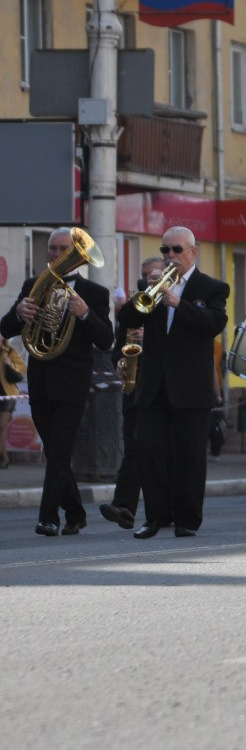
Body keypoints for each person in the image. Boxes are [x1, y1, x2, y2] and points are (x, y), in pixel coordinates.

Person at [117, 227, 230, 538]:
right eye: (165, 250)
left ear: (192, 252)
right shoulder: (149, 285)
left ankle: (187, 519)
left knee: (190, 456)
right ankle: (155, 517)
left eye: (176, 250)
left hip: (191, 387)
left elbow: (213, 324)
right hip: (153, 385)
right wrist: (146, 296)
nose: (169, 256)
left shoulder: (212, 287)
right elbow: (127, 320)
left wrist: (178, 303)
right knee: (150, 451)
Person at [1, 228, 114, 536]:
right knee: (55, 451)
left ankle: (48, 517)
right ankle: (75, 511)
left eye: (65, 248)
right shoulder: (31, 284)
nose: (57, 254)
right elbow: (5, 328)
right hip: (40, 381)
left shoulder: (94, 293)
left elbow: (106, 340)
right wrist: (19, 312)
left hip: (73, 384)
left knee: (60, 449)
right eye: (53, 248)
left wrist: (86, 313)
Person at [100, 255, 165, 530]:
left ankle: (166, 508)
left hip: (162, 388)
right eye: (143, 275)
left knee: (160, 451)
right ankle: (124, 507)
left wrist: (147, 340)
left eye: (152, 275)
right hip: (134, 388)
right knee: (135, 447)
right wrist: (119, 361)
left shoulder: (171, 304)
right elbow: (117, 347)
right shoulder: (134, 307)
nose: (146, 281)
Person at [0, 336, 27, 469]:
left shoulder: (10, 351)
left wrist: (9, 364)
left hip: (8, 394)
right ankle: (3, 456)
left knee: (2, 425)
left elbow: (22, 368)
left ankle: (2, 457)